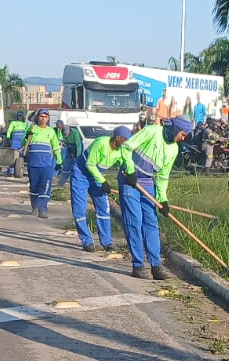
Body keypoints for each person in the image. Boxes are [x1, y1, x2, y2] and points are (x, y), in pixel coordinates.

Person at [120, 117, 190, 280]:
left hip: (148, 182)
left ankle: (156, 265)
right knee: (134, 221)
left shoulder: (173, 150)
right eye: (182, 134)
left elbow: (163, 176)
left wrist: (162, 199)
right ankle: (138, 265)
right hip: (129, 180)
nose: (183, 138)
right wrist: (130, 171)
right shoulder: (152, 131)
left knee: (151, 222)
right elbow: (126, 148)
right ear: (175, 129)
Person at [75, 126, 130, 252]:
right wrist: (103, 181)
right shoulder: (101, 143)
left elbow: (125, 166)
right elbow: (90, 164)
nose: (127, 143)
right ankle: (87, 241)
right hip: (81, 172)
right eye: (126, 140)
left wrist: (129, 176)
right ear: (118, 138)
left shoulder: (122, 150)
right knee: (80, 208)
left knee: (103, 208)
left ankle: (107, 242)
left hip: (97, 175)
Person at [20, 110, 61, 217]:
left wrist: (59, 161)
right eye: (41, 116)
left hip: (46, 164)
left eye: (45, 116)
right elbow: (23, 144)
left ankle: (42, 209)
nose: (43, 118)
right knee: (34, 187)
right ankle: (35, 207)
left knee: (45, 186)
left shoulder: (50, 131)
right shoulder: (32, 128)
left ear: (48, 118)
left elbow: (56, 147)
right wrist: (26, 137)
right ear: (38, 117)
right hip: (33, 163)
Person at [6, 111, 29, 178]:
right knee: (13, 155)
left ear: (23, 117)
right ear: (17, 116)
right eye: (18, 116)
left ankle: (19, 170)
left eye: (21, 116)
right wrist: (8, 138)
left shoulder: (25, 124)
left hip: (22, 141)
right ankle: (11, 172)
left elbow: (27, 132)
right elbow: (9, 131)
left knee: (21, 155)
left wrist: (26, 141)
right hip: (15, 141)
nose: (20, 117)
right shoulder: (13, 123)